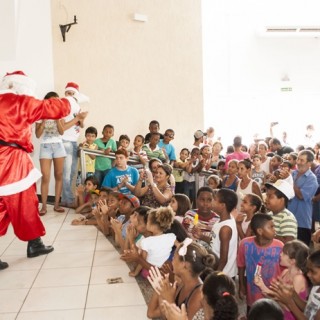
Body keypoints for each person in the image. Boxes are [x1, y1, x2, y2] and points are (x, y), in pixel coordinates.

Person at [0, 70, 71, 269]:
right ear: (17, 85)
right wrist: (71, 100)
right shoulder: (20, 102)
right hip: (13, 163)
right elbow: (51, 107)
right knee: (26, 203)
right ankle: (35, 244)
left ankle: (35, 243)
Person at [147, 239, 216, 320]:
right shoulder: (181, 283)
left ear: (184, 265)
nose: (171, 261)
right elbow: (151, 313)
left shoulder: (199, 296)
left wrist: (169, 300)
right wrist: (160, 288)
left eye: (174, 257)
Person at [237, 213, 284, 311]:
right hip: (253, 296)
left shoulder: (279, 246)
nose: (274, 230)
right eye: (271, 227)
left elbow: (285, 271)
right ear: (260, 231)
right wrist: (241, 285)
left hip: (273, 297)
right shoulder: (245, 244)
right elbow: (241, 265)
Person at [254, 239, 309, 320]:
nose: (280, 255)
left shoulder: (298, 279)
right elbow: (277, 297)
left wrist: (270, 294)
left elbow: (288, 306)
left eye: (283, 253)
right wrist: (261, 285)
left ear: (292, 261)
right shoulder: (285, 272)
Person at [35, 91, 66, 215]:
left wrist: (57, 118)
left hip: (58, 145)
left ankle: (57, 205)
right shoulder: (40, 113)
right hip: (45, 146)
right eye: (52, 100)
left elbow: (62, 132)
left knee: (59, 175)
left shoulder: (61, 113)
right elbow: (37, 135)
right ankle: (43, 206)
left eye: (57, 100)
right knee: (45, 176)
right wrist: (43, 120)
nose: (55, 102)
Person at [61, 82, 88, 208]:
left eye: (73, 93)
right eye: (68, 93)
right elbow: (63, 126)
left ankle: (66, 199)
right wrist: (77, 118)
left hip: (74, 141)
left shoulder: (77, 107)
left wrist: (81, 119)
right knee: (66, 173)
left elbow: (81, 126)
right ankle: (69, 199)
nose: (70, 95)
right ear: (65, 93)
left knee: (71, 172)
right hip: (65, 140)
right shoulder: (63, 106)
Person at [271, 249, 320, 320]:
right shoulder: (316, 287)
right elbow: (308, 307)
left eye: (313, 271)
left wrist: (290, 303)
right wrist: (293, 294)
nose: (308, 274)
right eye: (308, 270)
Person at [129, 206, 175, 277]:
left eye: (148, 222)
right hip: (165, 272)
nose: (147, 223)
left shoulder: (146, 242)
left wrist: (135, 272)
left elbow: (142, 260)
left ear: (153, 226)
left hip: (149, 273)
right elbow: (180, 246)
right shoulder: (171, 236)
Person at [288, 150, 318, 246]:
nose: (298, 162)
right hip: (288, 218)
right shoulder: (292, 174)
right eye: (298, 159)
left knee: (300, 253)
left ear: (309, 163)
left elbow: (301, 196)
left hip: (301, 221)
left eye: (302, 160)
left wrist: (290, 182)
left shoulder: (312, 179)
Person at [210, 188, 238, 278]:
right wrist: (201, 236)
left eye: (214, 199)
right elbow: (215, 240)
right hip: (219, 269)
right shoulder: (222, 219)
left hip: (224, 274)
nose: (212, 201)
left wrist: (214, 276)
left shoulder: (225, 228)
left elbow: (223, 259)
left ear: (222, 205)